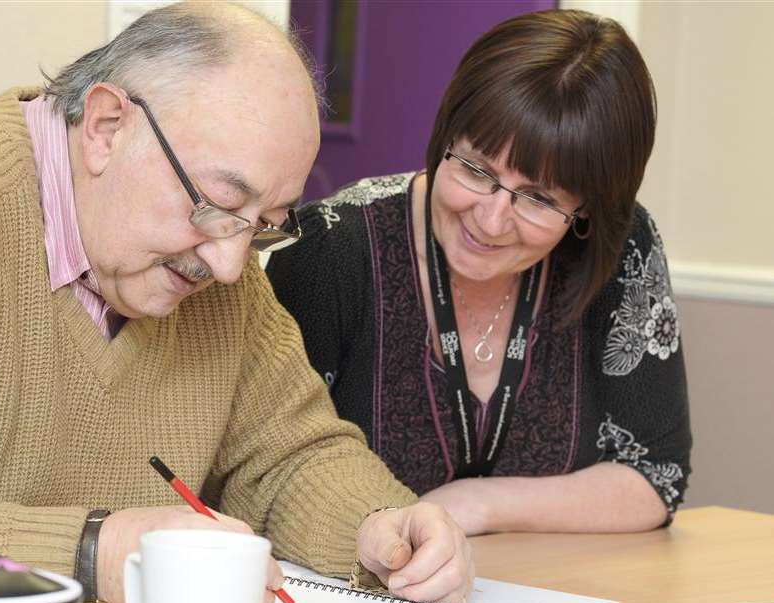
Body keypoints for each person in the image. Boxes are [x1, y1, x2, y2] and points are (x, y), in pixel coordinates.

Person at [0, 2, 473, 603]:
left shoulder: (219, 258)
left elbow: (287, 454)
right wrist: (89, 551)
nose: (228, 265)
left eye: (265, 224)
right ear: (108, 127)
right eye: (217, 205)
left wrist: (378, 525)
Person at [267, 9, 691, 536]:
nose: (490, 222)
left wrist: (477, 504)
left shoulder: (619, 248)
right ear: (445, 135)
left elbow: (655, 476)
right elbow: (267, 469)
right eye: (475, 169)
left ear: (587, 210)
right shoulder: (331, 247)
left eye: (538, 199)